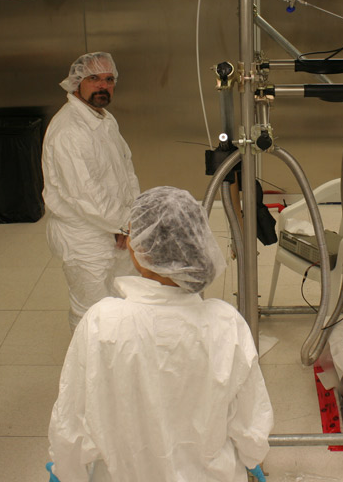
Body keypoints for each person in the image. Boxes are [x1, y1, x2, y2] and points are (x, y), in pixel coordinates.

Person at [47, 186, 273, 482]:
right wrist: (252, 455)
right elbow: (249, 416)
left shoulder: (103, 323)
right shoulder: (226, 324)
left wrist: (66, 469)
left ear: (137, 250)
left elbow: (73, 417)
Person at [42, 51, 140, 331]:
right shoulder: (69, 129)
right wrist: (125, 223)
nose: (102, 86)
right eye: (93, 78)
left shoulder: (104, 119)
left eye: (109, 79)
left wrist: (128, 219)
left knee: (122, 300)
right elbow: (84, 193)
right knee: (92, 311)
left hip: (116, 228)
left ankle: (118, 362)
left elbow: (125, 169)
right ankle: (88, 370)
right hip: (83, 236)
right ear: (76, 83)